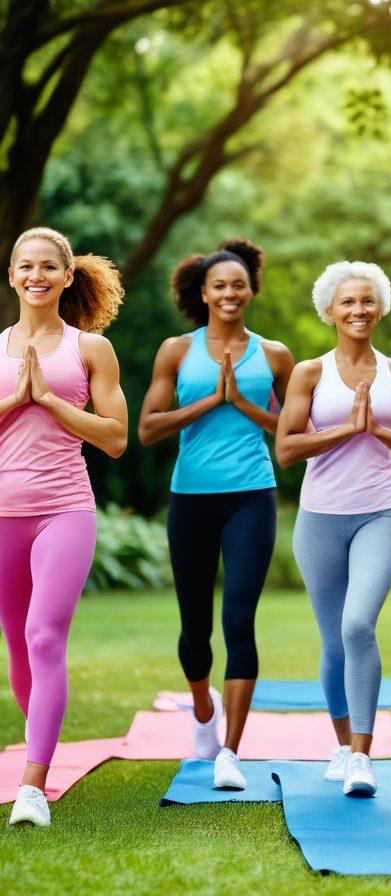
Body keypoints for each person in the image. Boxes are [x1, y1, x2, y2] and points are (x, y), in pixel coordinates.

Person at [138, 238, 293, 790]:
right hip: (192, 499)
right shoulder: (177, 351)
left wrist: (247, 406)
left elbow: (298, 431)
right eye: (219, 285)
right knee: (195, 626)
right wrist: (212, 400)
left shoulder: (274, 355)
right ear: (203, 293)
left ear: (251, 290)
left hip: (251, 495)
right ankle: (203, 710)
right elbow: (148, 428)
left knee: (239, 621)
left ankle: (230, 750)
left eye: (239, 285)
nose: (230, 293)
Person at [277, 261, 391, 797]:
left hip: (379, 513)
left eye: (368, 301)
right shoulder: (310, 373)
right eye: (348, 302)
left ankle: (364, 757)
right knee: (333, 640)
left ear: (381, 307)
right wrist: (346, 428)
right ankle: (342, 746)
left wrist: (380, 433)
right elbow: (287, 448)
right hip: (320, 518)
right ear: (329, 311)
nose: (358, 310)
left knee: (358, 625)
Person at [1, 227, 128, 826]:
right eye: (26, 266)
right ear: (12, 275)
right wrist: (14, 399)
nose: (37, 276)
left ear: (67, 275)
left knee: (45, 637)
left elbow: (116, 439)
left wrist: (50, 400)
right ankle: (39, 749)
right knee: (19, 653)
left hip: (64, 510)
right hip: (3, 514)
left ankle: (32, 787)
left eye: (49, 266)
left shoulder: (90, 350)